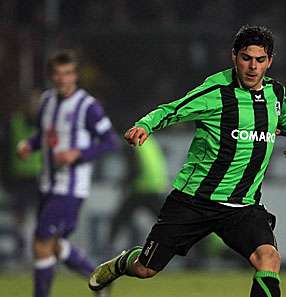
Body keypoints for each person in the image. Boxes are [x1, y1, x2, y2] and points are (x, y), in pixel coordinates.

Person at [88, 25, 286, 297]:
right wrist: (146, 125)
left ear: (269, 62)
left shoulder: (275, 94)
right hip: (194, 201)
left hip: (241, 206)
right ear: (234, 57)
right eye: (246, 58)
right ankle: (122, 263)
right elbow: (173, 109)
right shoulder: (216, 92)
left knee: (269, 259)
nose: (253, 67)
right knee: (146, 269)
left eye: (260, 60)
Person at [17, 50, 118, 297]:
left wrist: (78, 154)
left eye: (68, 74)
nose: (63, 79)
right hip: (47, 184)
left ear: (75, 76)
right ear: (51, 76)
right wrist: (30, 145)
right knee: (51, 245)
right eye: (58, 74)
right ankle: (98, 279)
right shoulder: (46, 101)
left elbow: (110, 141)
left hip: (71, 187)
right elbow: (44, 135)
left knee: (41, 241)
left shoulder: (87, 106)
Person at [0, 92, 41, 262]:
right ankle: (22, 252)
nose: (35, 107)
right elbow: (4, 152)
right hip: (19, 178)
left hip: (40, 177)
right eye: (32, 103)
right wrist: (6, 178)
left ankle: (40, 253)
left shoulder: (45, 124)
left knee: (42, 217)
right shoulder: (12, 123)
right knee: (20, 217)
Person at [108, 137, 168, 249]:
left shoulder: (132, 143)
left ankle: (107, 249)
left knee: (119, 219)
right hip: (155, 187)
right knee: (168, 222)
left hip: (140, 188)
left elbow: (135, 169)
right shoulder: (149, 141)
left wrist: (124, 182)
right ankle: (194, 252)